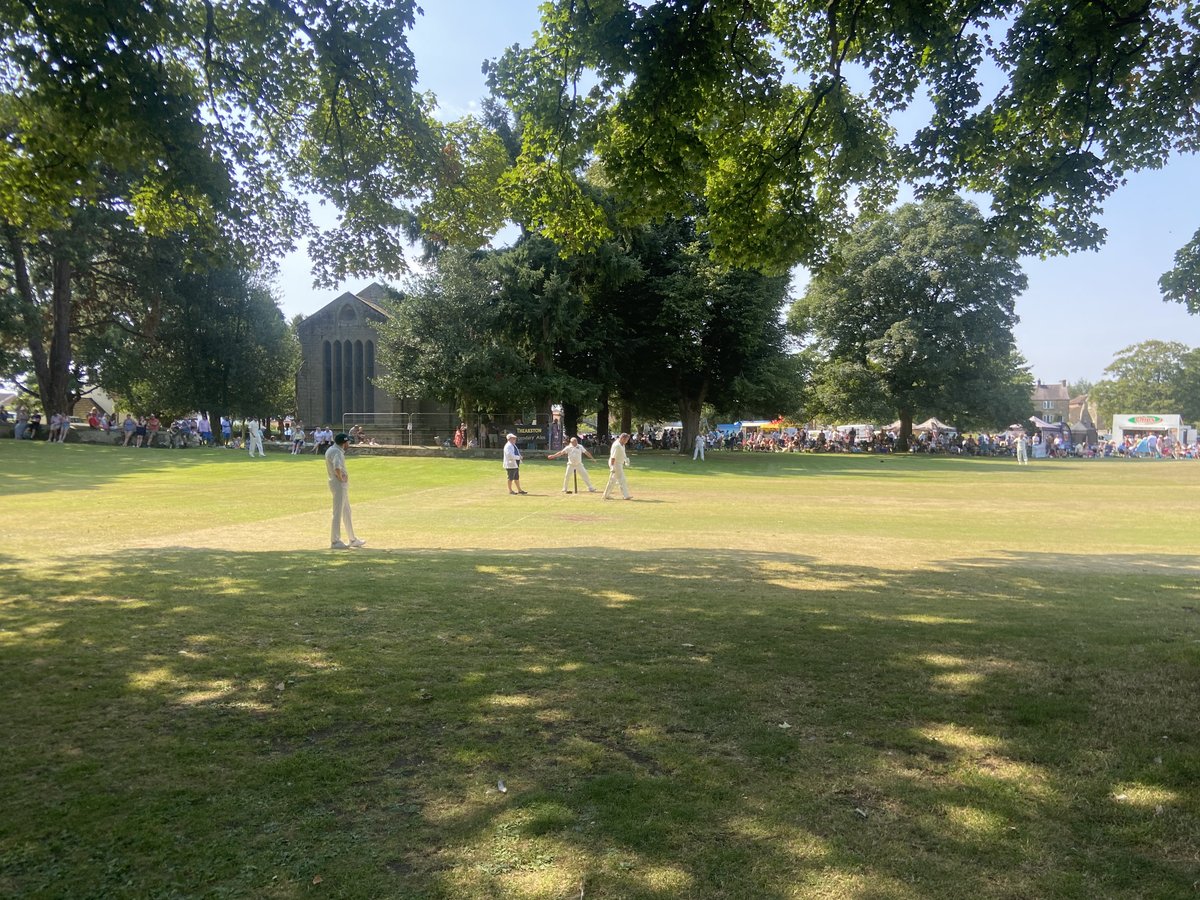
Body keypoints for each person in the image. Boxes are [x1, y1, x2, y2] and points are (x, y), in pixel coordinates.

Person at [325, 432, 365, 549]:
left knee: (346, 511)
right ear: (344, 442)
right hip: (339, 485)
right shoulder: (337, 452)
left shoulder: (332, 449)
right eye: (348, 442)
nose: (349, 444)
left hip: (337, 484)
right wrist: (341, 477)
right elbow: (337, 467)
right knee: (337, 512)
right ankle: (335, 541)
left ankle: (352, 539)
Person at [603, 432, 633, 500]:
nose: (626, 441)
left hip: (619, 463)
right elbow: (613, 457)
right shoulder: (617, 445)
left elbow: (623, 453)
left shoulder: (622, 444)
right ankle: (626, 495)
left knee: (612, 480)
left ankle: (606, 495)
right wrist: (612, 466)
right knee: (621, 480)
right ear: (622, 438)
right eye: (626, 440)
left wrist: (626, 460)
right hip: (616, 463)